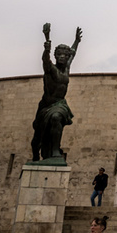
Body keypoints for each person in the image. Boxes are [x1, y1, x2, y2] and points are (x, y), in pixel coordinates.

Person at [31, 23, 82, 162]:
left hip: (60, 104)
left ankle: (55, 150)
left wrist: (77, 41)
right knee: (38, 138)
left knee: (56, 117)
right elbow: (45, 60)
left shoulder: (67, 68)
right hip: (46, 105)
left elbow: (73, 52)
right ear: (55, 56)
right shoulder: (50, 69)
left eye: (65, 55)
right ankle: (36, 155)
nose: (62, 57)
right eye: (59, 54)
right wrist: (46, 48)